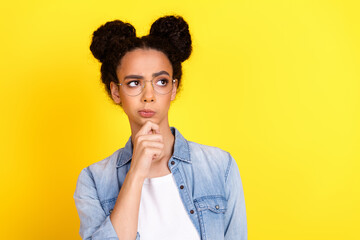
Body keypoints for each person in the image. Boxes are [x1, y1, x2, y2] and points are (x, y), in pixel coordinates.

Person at [74, 15, 247, 240]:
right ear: (116, 92)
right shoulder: (94, 180)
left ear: (174, 88)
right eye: (134, 83)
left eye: (161, 81)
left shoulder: (219, 166)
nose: (149, 96)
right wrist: (136, 171)